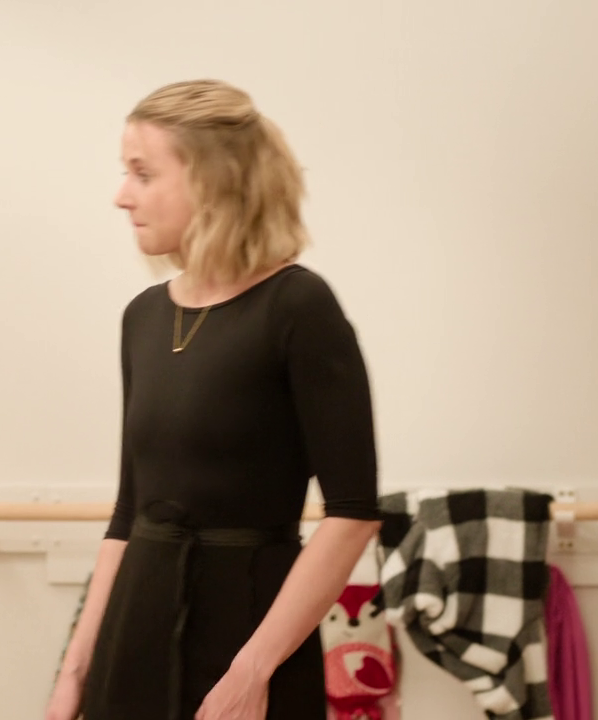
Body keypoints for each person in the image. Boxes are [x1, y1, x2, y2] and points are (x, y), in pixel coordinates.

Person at [45, 80, 383, 720]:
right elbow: (128, 513)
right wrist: (75, 673)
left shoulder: (298, 307)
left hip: (250, 637)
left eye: (143, 173)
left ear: (213, 180)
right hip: (133, 636)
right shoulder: (143, 317)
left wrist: (252, 671)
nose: (122, 195)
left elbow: (353, 513)